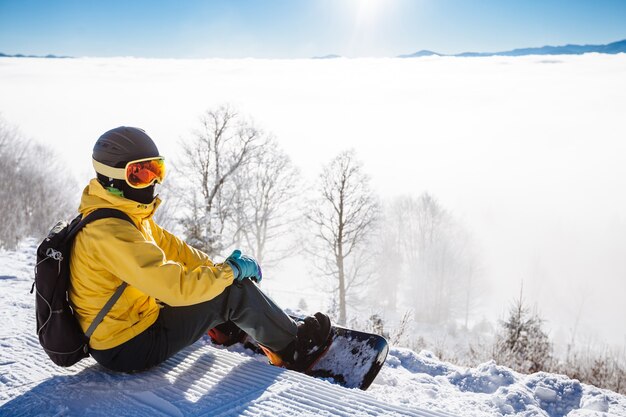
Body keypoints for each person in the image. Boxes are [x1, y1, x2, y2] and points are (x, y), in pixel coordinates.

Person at [69, 126, 331, 373]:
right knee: (232, 291)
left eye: (157, 169)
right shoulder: (110, 233)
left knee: (218, 282)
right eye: (141, 173)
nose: (154, 181)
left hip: (127, 327)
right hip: (128, 348)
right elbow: (176, 287)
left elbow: (177, 251)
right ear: (113, 178)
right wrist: (229, 276)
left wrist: (218, 268)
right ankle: (294, 349)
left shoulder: (127, 217)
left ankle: (227, 324)